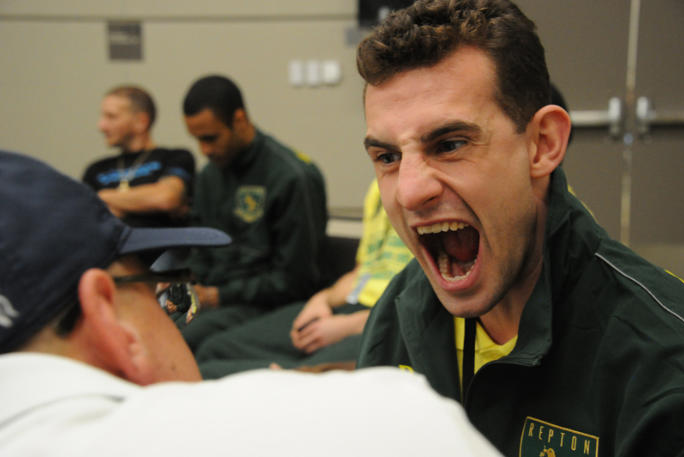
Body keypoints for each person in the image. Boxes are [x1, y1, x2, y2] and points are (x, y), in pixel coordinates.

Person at [0, 150, 502, 457]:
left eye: (449, 146)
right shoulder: (393, 418)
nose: (412, 187)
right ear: (108, 316)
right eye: (154, 288)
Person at [355, 1, 684, 456]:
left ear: (542, 145)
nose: (409, 193)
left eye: (450, 145)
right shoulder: (397, 313)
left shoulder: (663, 366)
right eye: (388, 157)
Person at [195, 179, 413, 377]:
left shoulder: (420, 193)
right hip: (348, 305)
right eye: (385, 158)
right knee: (212, 351)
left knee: (303, 378)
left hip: (388, 321)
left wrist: (351, 325)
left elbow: (424, 304)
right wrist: (321, 300)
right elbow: (364, 270)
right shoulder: (378, 186)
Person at [178, 75, 328, 349]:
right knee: (147, 324)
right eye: (197, 140)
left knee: (181, 340)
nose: (204, 150)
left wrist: (218, 295)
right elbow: (200, 253)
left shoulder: (292, 177)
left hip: (268, 305)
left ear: (239, 120)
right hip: (216, 299)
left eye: (210, 138)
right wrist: (183, 283)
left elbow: (296, 281)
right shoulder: (210, 176)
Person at [82, 85, 195, 228]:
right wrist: (144, 204)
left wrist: (103, 196)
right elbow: (85, 214)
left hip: (160, 241)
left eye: (112, 117)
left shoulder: (175, 157)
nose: (101, 126)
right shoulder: (96, 169)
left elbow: (166, 198)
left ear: (141, 121)